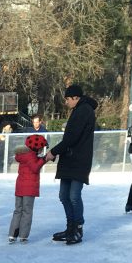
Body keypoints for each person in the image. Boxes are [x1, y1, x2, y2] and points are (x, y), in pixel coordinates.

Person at [45, 84, 97, 246]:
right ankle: (70, 228)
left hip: (78, 161)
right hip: (69, 159)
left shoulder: (84, 110)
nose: (66, 102)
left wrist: (53, 151)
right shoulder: (78, 110)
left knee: (74, 196)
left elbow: (72, 138)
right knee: (64, 195)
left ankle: (77, 228)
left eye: (68, 99)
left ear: (76, 98)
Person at [8, 133, 48, 243]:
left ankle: (12, 235)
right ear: (37, 148)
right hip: (29, 189)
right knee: (27, 211)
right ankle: (23, 236)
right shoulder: (31, 156)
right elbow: (35, 167)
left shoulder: (24, 155)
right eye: (41, 148)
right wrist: (45, 159)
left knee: (18, 210)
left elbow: (33, 162)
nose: (41, 150)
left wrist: (41, 158)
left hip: (20, 187)